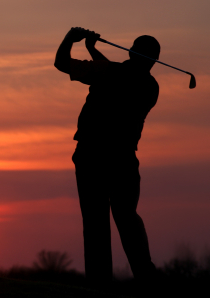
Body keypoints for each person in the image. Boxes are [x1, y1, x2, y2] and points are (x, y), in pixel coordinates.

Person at [54, 27, 160, 283]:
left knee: (95, 221)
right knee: (127, 217)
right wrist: (91, 48)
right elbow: (112, 71)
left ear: (132, 52)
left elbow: (61, 63)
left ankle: (100, 284)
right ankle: (146, 278)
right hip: (123, 159)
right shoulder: (150, 86)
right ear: (154, 61)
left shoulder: (109, 73)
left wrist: (71, 37)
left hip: (93, 155)